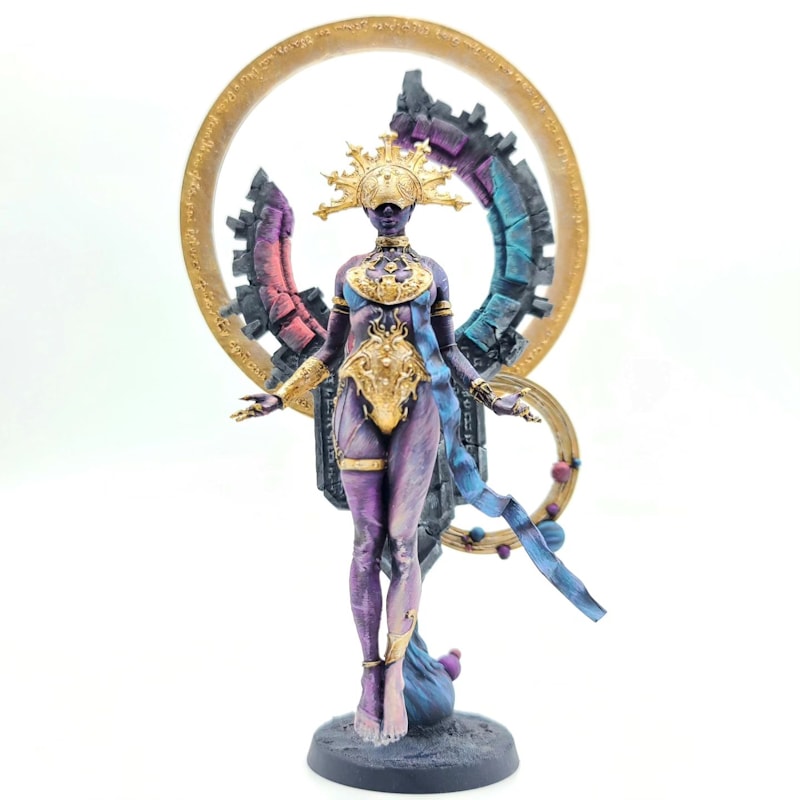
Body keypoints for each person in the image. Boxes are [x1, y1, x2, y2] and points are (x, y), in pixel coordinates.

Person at [232, 134, 603, 745]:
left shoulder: (432, 276)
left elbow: (451, 350)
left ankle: (398, 672)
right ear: (363, 207)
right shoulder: (349, 275)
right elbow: (328, 352)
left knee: (403, 547)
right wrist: (278, 394)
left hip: (419, 411)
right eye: (377, 205)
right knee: (364, 546)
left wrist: (486, 395)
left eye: (396, 204)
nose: (387, 213)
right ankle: (370, 674)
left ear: (411, 206)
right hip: (355, 408)